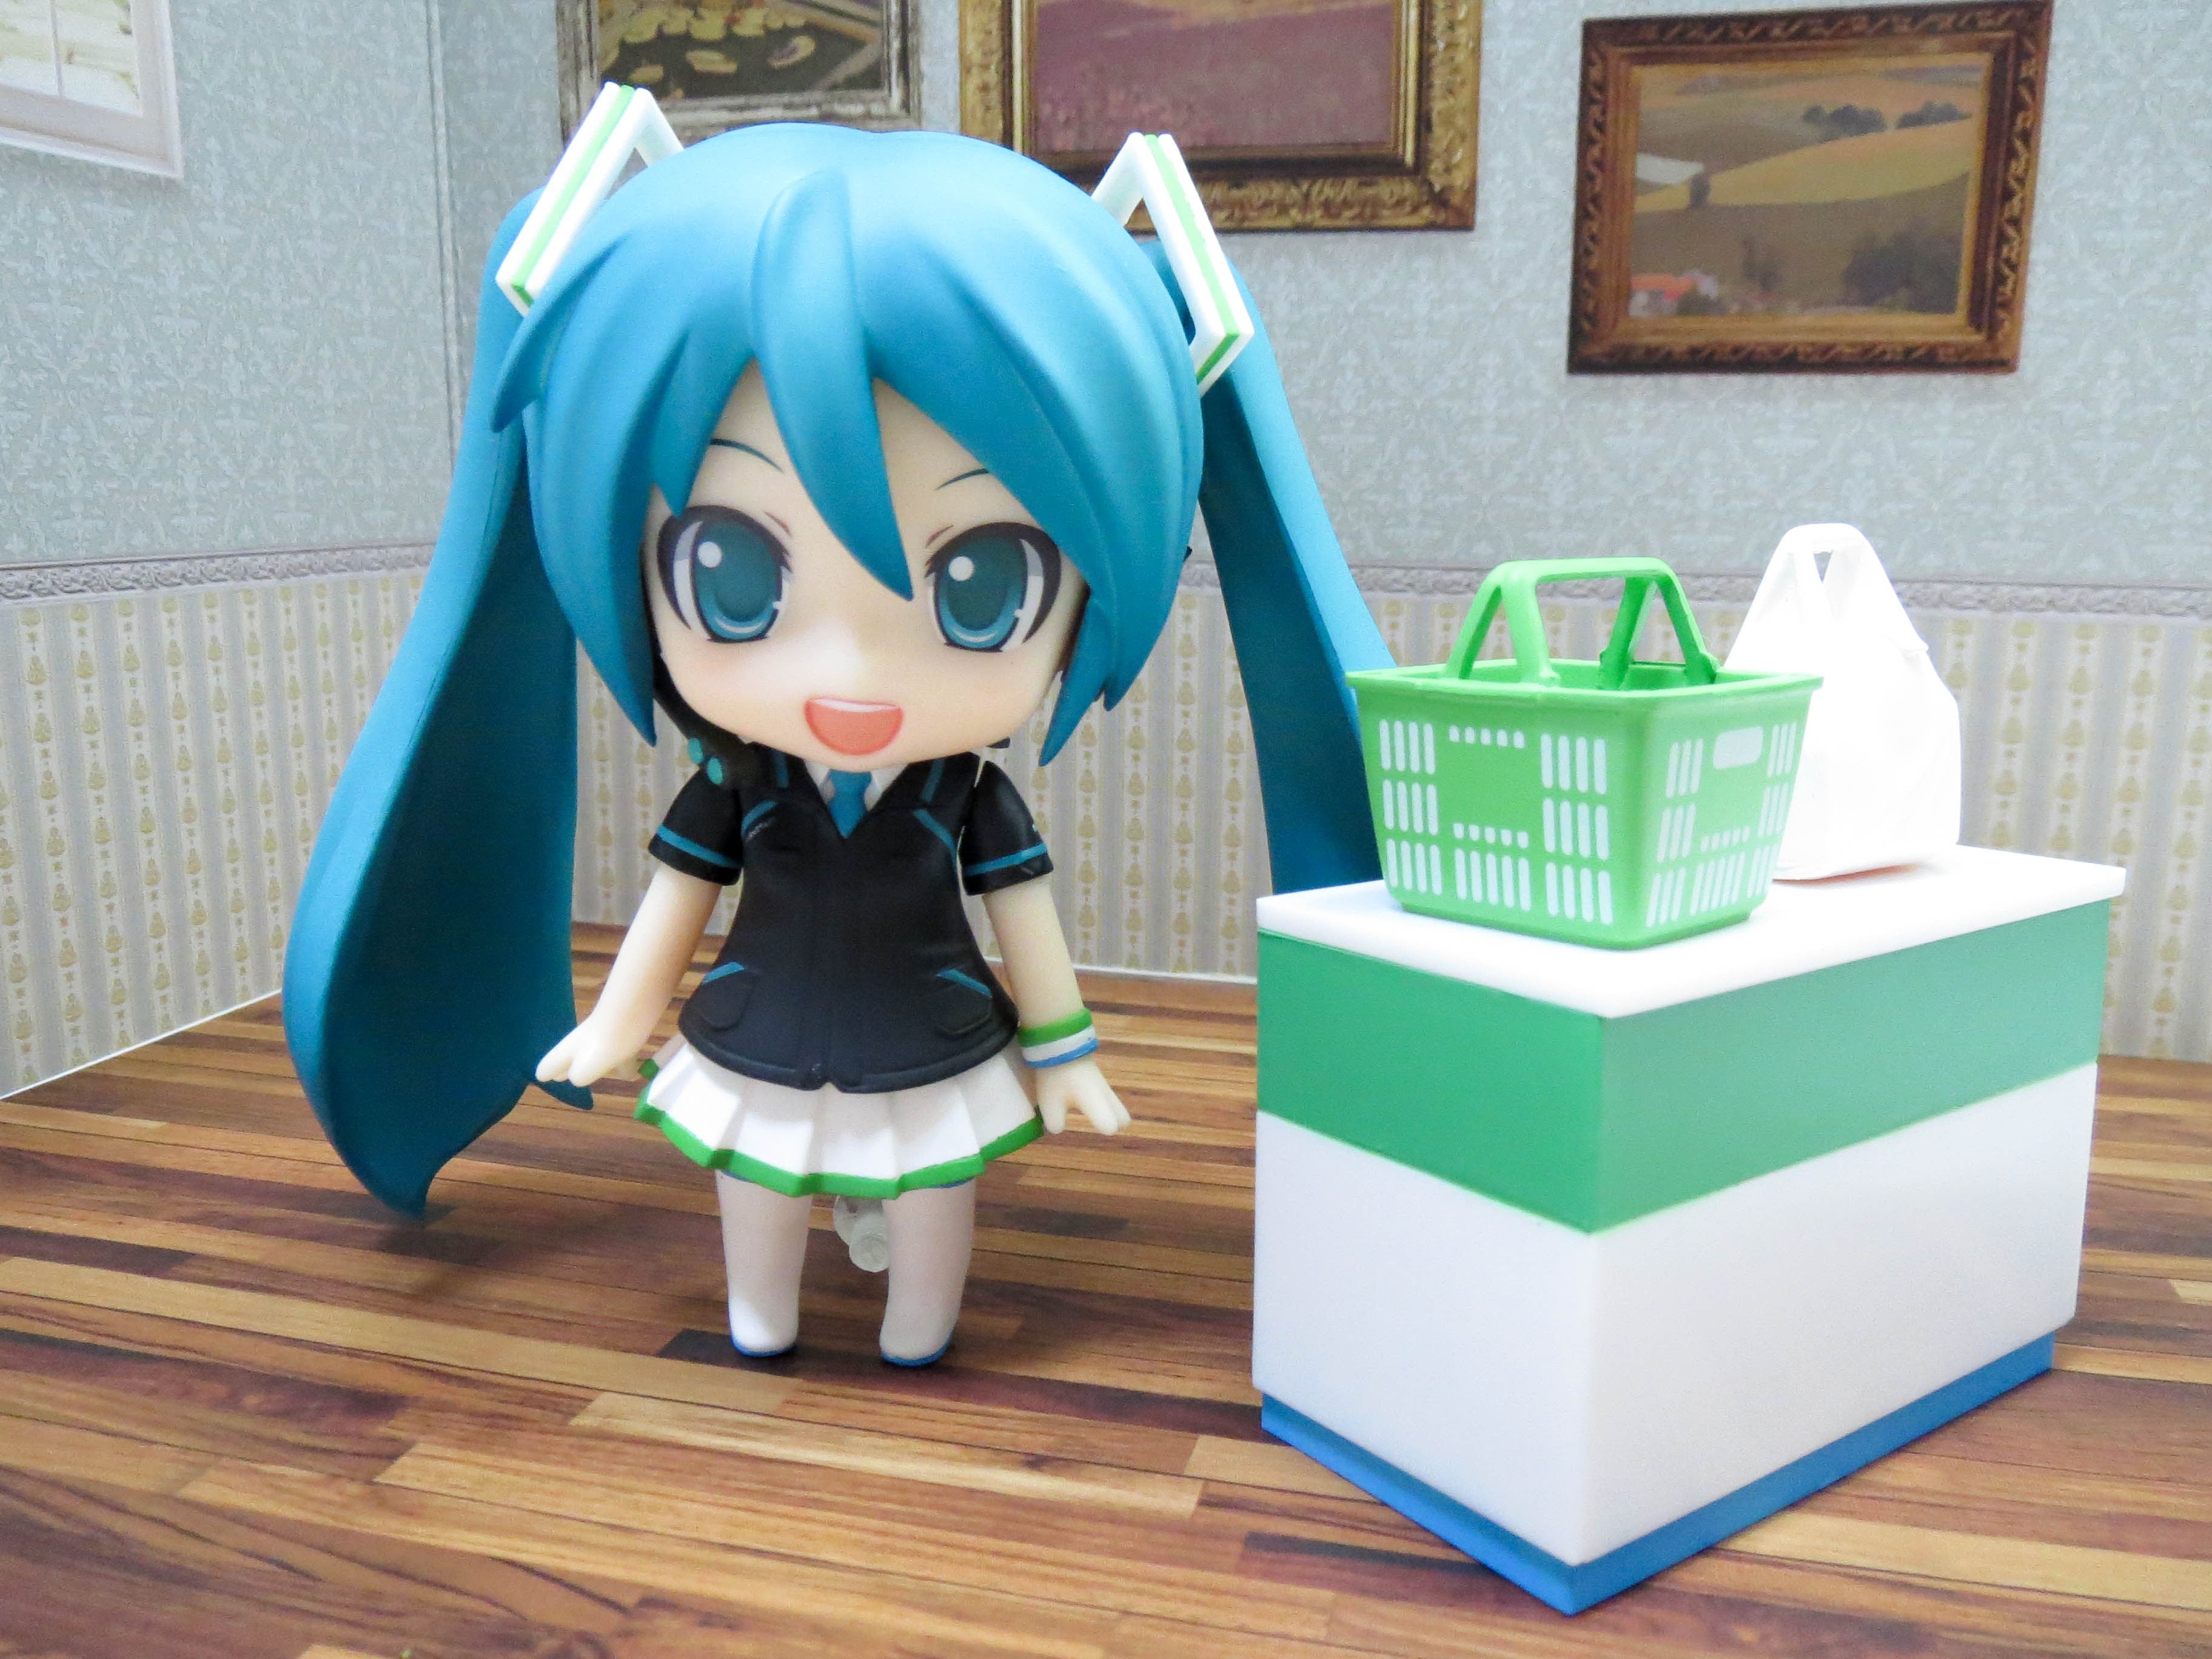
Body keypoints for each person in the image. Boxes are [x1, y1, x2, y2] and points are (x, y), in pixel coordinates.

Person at [284, 120, 1390, 1367]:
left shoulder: (966, 797)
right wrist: (621, 1019)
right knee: (754, 1189)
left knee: (932, 1197)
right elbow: (676, 905)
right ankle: (763, 1310)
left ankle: (921, 1321)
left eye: (983, 587)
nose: (851, 679)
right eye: (731, 575)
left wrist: (1065, 1050)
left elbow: (1025, 925)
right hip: (757, 1035)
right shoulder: (737, 784)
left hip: (931, 1038)